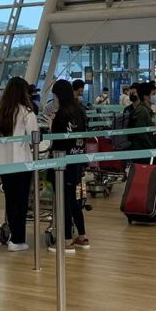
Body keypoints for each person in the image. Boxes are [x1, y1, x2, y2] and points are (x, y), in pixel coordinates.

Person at [0, 77, 39, 252]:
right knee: (21, 201)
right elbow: (35, 137)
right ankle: (18, 239)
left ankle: (14, 235)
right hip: (22, 163)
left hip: (3, 164)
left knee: (10, 200)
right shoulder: (26, 112)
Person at [48, 80, 90, 251]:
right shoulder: (80, 110)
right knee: (74, 198)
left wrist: (51, 125)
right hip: (77, 159)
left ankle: (66, 239)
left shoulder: (61, 114)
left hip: (62, 161)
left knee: (63, 199)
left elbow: (57, 140)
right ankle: (82, 235)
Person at [128, 82, 156, 151]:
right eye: (153, 94)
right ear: (145, 96)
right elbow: (142, 133)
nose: (155, 97)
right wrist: (151, 146)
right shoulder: (142, 111)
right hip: (141, 150)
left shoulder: (146, 110)